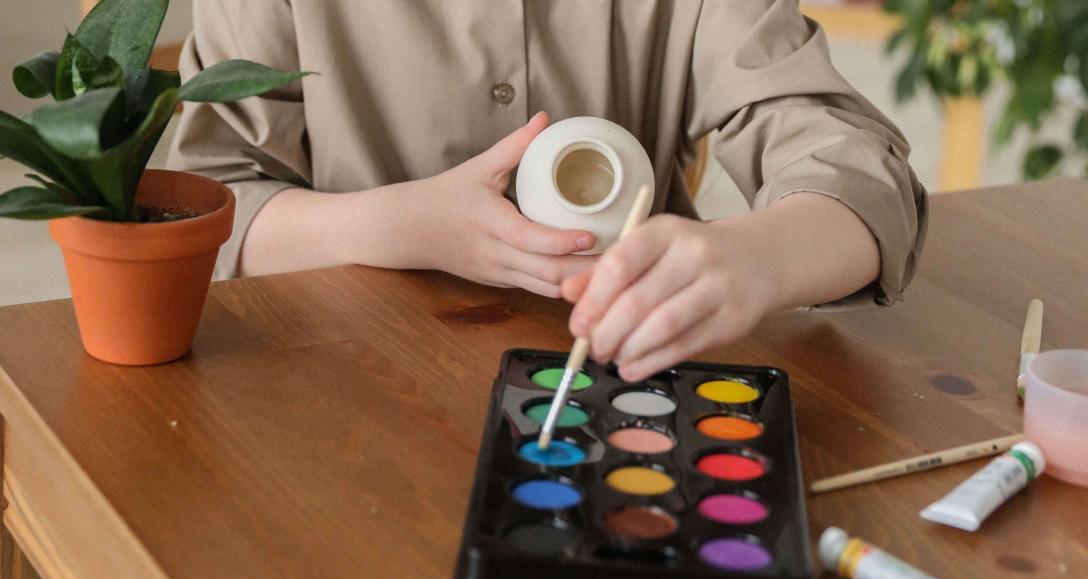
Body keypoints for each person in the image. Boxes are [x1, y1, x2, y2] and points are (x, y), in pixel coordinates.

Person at [168, 0, 927, 381]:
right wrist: (404, 225)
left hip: (626, 380)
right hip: (351, 383)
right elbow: (210, 205)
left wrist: (756, 257)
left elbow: (856, 166)